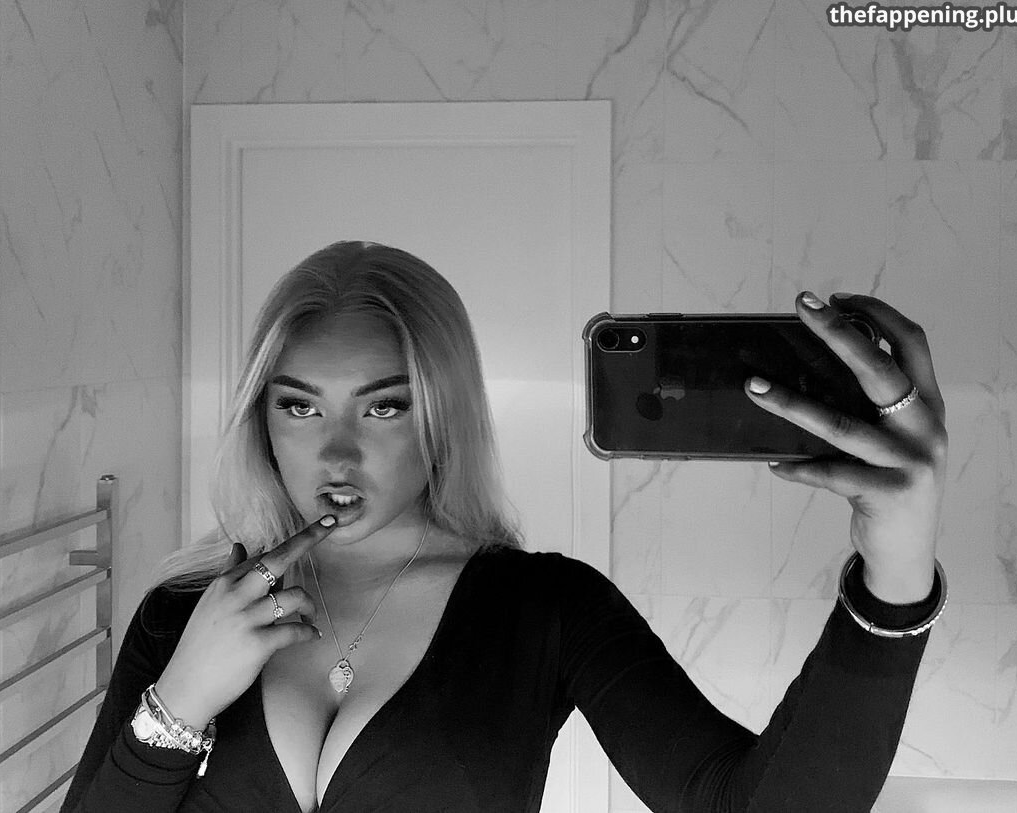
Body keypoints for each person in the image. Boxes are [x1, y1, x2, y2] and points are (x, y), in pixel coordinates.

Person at [62, 241, 948, 812]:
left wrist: (897, 576)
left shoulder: (546, 608)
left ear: (443, 413)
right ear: (261, 419)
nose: (336, 452)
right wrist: (176, 706)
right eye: (299, 406)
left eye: (384, 407)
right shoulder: (184, 614)